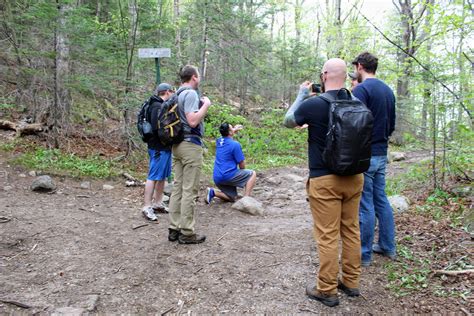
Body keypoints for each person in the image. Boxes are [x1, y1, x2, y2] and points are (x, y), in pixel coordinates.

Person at [283, 58, 364, 307]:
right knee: (350, 230)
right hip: (354, 177)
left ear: (325, 75)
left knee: (328, 235)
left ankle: (326, 289)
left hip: (324, 179)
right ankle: (350, 282)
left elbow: (288, 121)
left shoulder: (315, 104)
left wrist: (300, 94)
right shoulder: (359, 103)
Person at [352, 52, 396, 267]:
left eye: (355, 68)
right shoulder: (388, 90)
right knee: (381, 199)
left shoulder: (362, 89)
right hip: (382, 151)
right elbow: (392, 124)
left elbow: (355, 121)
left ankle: (364, 254)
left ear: (360, 67)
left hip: (366, 154)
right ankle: (388, 246)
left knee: (366, 204)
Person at [168, 65, 211, 244]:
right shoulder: (191, 93)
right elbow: (193, 121)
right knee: (189, 189)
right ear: (194, 77)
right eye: (198, 76)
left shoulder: (175, 95)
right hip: (189, 144)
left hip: (176, 145)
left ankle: (174, 228)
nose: (199, 79)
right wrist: (206, 105)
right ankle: (187, 232)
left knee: (177, 187)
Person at [142, 83, 174, 221]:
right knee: (153, 176)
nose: (173, 94)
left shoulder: (158, 104)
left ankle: (158, 203)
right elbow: (157, 128)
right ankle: (147, 206)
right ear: (167, 92)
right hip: (158, 147)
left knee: (162, 176)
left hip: (163, 147)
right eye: (172, 91)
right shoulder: (156, 106)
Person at [206, 123, 256, 203]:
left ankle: (213, 192)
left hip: (217, 177)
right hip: (227, 175)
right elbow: (242, 165)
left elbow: (226, 137)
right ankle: (246, 199)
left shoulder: (219, 141)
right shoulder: (235, 145)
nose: (233, 128)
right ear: (229, 132)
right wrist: (242, 176)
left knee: (232, 197)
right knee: (252, 174)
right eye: (231, 128)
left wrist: (233, 130)